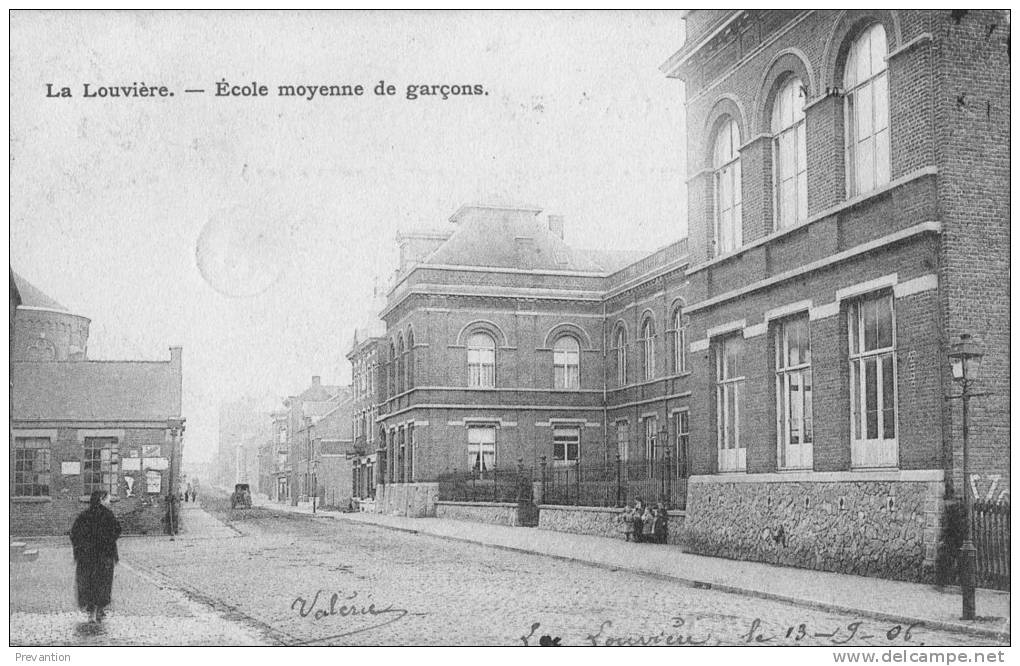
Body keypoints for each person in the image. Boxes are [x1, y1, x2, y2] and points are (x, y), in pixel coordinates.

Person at [70, 490, 122, 623]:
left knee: (88, 583)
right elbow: (117, 530)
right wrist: (107, 543)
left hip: (87, 558)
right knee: (103, 583)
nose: (109, 502)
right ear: (101, 499)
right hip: (104, 557)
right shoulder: (108, 515)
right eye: (108, 499)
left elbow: (74, 534)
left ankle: (91, 612)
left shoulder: (84, 516)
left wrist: (80, 549)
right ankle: (99, 611)